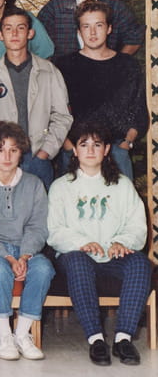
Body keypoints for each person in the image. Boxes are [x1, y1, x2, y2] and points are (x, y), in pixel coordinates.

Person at [47, 122, 152, 366]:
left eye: (97, 145)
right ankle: (96, 339)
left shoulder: (122, 185)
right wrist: (82, 243)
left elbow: (137, 226)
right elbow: (55, 231)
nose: (91, 150)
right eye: (84, 145)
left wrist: (121, 242)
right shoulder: (61, 187)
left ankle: (123, 338)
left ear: (106, 150)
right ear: (75, 151)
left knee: (140, 263)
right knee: (77, 261)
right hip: (77, 255)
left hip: (113, 256)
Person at [0, 121, 54, 361]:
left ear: (21, 152)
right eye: (1, 150)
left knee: (44, 268)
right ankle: (4, 334)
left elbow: (38, 226)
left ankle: (22, 334)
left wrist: (24, 256)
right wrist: (7, 257)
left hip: (25, 249)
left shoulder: (34, 184)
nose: (6, 157)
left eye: (13, 150)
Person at [54, 0, 147, 180]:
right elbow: (53, 111)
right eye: (86, 26)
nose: (93, 32)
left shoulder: (127, 65)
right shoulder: (64, 66)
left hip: (116, 152)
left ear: (109, 28)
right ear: (79, 31)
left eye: (99, 25)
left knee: (120, 199)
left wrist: (126, 144)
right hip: (76, 151)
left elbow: (139, 112)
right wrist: (68, 146)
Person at [0, 7, 73, 189]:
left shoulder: (49, 71)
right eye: (8, 28)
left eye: (21, 28)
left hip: (37, 157)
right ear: (0, 35)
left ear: (30, 33)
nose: (14, 33)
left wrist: (45, 152)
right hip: (3, 159)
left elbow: (62, 116)